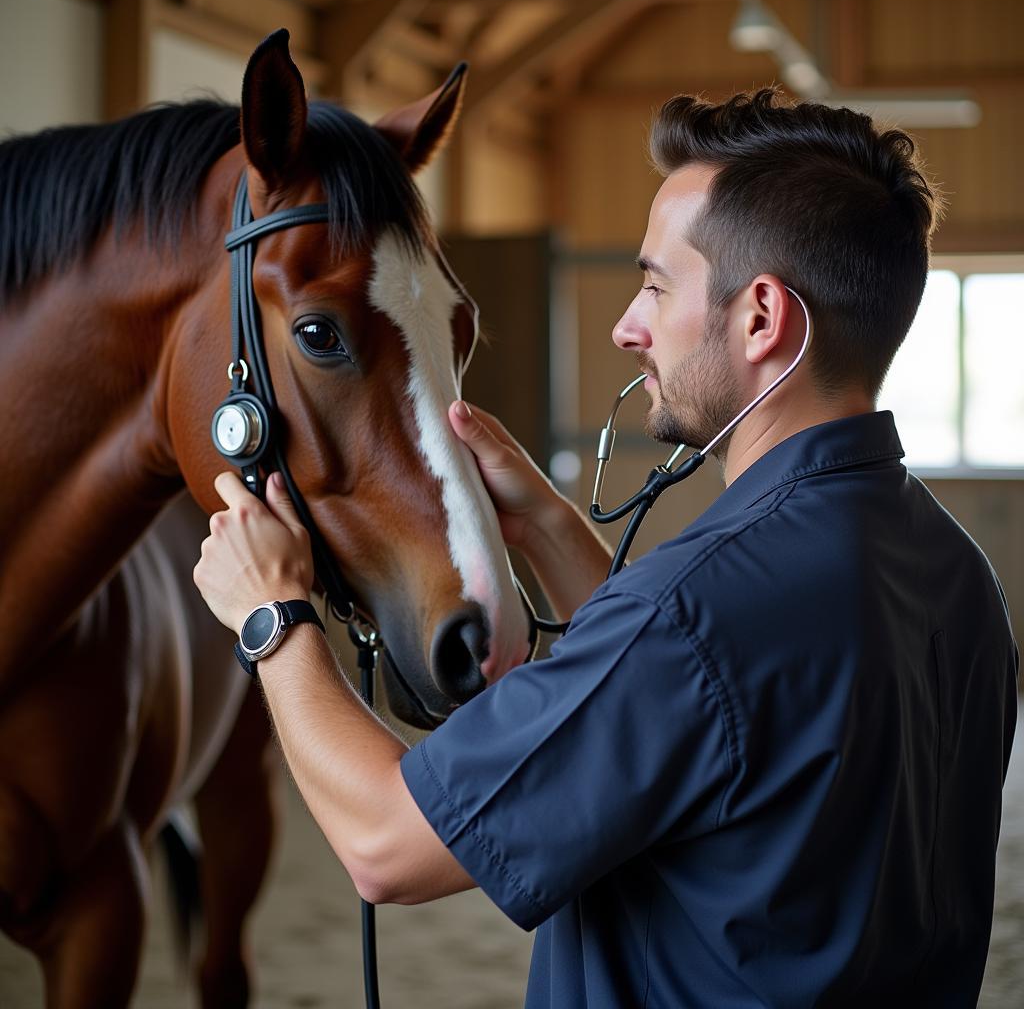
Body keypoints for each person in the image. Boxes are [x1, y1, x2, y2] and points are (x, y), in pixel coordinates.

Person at [194, 89, 1019, 1006]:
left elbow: (387, 846)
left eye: (657, 286)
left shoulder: (696, 612)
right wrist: (547, 524)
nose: (629, 325)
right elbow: (710, 725)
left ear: (761, 319)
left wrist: (274, 615)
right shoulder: (957, 575)